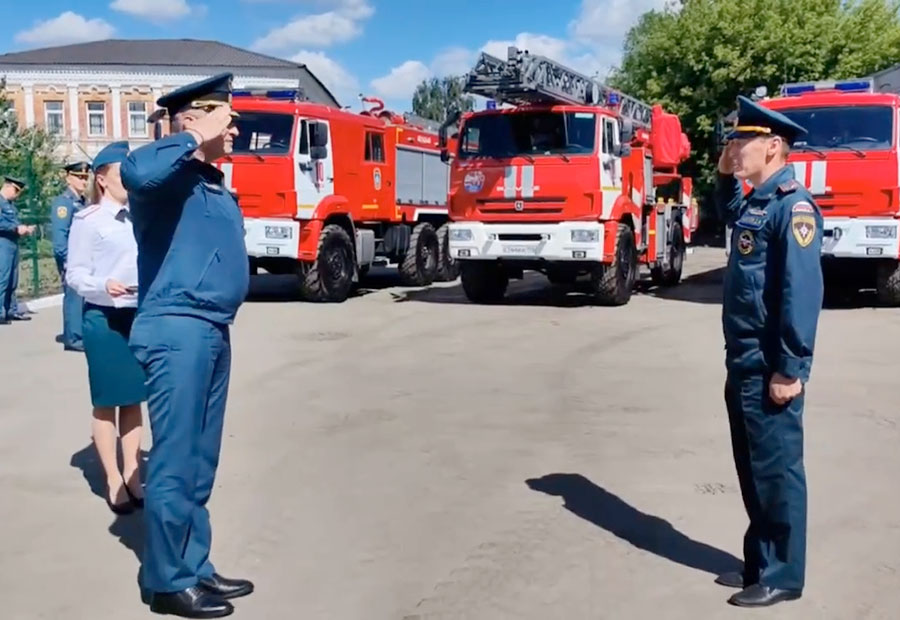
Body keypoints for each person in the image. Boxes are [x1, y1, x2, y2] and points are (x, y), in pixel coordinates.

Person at [121, 73, 252, 618]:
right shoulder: (163, 172)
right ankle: (168, 581)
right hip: (177, 327)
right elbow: (136, 171)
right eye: (229, 116)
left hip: (212, 329)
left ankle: (194, 564)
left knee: (201, 460)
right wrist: (190, 136)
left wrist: (201, 149)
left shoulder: (211, 182)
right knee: (175, 458)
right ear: (195, 117)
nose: (238, 125)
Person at [713, 95, 824, 608]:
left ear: (774, 146)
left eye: (743, 141)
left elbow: (799, 295)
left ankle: (784, 574)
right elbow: (727, 209)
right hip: (743, 360)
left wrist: (790, 367)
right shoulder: (758, 200)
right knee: (752, 467)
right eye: (733, 140)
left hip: (770, 365)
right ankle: (760, 561)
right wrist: (723, 168)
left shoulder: (793, 207)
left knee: (778, 470)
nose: (734, 148)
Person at [66, 141, 146, 515]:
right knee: (105, 402)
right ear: (102, 178)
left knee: (132, 399)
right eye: (121, 172)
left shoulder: (140, 215)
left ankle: (133, 473)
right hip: (103, 317)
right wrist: (103, 285)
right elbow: (75, 274)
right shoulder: (89, 221)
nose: (129, 179)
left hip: (136, 315)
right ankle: (112, 478)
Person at [52, 160, 91, 350]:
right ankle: (73, 338)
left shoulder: (82, 202)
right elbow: (61, 234)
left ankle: (79, 333)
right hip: (72, 260)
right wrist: (65, 260)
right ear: (69, 178)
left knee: (82, 297)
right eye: (79, 177)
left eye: (85, 177)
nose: (84, 181)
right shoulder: (64, 203)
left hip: (83, 258)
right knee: (74, 298)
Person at [0, 176, 35, 324]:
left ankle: (10, 310)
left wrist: (24, 229)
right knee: (3, 277)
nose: (17, 194)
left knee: (12, 279)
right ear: (8, 186)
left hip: (12, 242)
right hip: (3, 242)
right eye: (16, 190)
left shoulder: (10, 204)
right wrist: (15, 228)